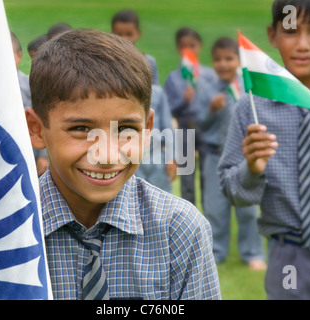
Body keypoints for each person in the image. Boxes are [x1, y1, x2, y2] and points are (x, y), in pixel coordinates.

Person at [25, 28, 220, 300]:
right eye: (81, 128)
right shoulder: (8, 229)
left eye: (126, 129)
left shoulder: (179, 229)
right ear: (36, 129)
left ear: (148, 127)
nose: (106, 155)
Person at [218, 0, 310, 300]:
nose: (302, 45)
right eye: (290, 31)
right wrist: (252, 169)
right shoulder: (251, 108)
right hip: (290, 256)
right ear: (272, 36)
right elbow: (232, 191)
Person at [195, 37, 266, 270]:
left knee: (247, 209)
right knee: (214, 208)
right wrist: (211, 111)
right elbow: (200, 125)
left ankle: (253, 252)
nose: (223, 64)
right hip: (215, 156)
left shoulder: (247, 88)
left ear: (238, 61)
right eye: (217, 59)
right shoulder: (207, 90)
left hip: (243, 159)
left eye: (228, 58)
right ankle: (215, 252)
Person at [164, 27, 217, 206]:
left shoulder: (210, 76)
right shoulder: (174, 78)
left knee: (208, 176)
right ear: (179, 48)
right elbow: (169, 109)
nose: (189, 50)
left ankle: (209, 217)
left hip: (207, 128)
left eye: (192, 45)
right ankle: (188, 215)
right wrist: (184, 101)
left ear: (199, 46)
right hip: (186, 130)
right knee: (187, 178)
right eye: (184, 46)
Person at [11, 31, 48, 176]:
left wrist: (43, 155)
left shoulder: (29, 86)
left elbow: (43, 119)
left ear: (19, 55)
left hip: (31, 153)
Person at [135, 84, 177, 193]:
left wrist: (171, 157)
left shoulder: (158, 93)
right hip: (133, 155)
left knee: (161, 198)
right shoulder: (123, 91)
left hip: (156, 156)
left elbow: (167, 126)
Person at [111, 9, 160, 85]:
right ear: (111, 34)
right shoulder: (108, 61)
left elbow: (156, 90)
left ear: (138, 33)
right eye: (119, 34)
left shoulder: (149, 62)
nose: (125, 39)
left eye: (129, 34)